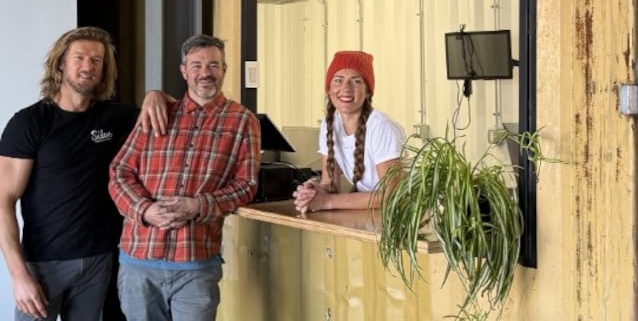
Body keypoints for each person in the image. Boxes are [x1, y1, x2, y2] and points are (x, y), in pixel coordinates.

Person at [0, 26, 169, 321]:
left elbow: (179, 111)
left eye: (96, 61)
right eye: (79, 58)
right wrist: (19, 276)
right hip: (44, 263)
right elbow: (3, 201)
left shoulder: (114, 118)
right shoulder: (29, 123)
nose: (87, 66)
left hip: (98, 261)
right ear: (61, 63)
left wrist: (157, 94)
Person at [108, 33, 261, 321]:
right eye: (197, 65)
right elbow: (120, 172)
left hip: (196, 262)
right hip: (139, 259)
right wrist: (145, 210)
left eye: (214, 65)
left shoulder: (242, 121)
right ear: (184, 71)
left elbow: (247, 185)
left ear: (225, 70)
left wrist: (199, 205)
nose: (206, 73)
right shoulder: (157, 112)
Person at [292, 50, 406, 213]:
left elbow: (391, 195)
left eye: (356, 81)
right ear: (329, 89)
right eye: (338, 80)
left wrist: (328, 201)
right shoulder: (329, 123)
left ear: (367, 92)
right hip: (371, 213)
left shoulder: (381, 127)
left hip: (402, 216)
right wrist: (313, 192)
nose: (346, 88)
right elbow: (330, 184)